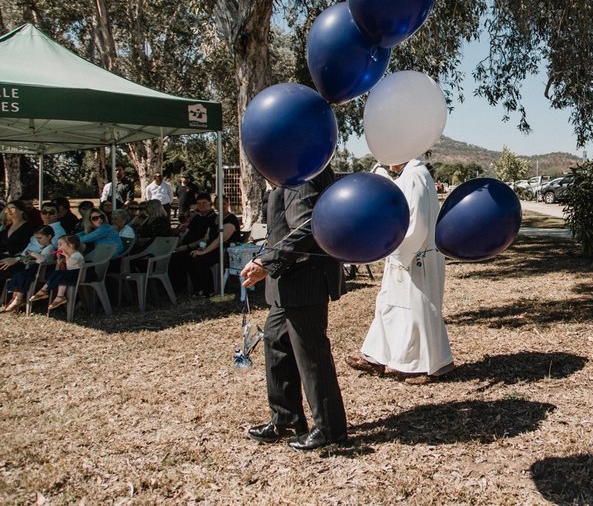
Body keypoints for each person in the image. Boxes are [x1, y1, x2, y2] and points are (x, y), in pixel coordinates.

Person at [240, 166, 347, 452]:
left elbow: (307, 227)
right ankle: (286, 419)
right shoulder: (289, 173)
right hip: (286, 283)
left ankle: (329, 429)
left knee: (311, 355)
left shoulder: (304, 173)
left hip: (304, 280)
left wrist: (266, 261)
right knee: (276, 344)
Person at [348, 158, 454, 384]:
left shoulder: (415, 175)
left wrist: (394, 249)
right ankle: (374, 356)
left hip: (415, 256)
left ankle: (426, 365)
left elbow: (417, 224)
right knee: (387, 304)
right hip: (404, 254)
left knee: (416, 310)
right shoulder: (411, 175)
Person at [168, 193, 220, 296]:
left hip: (202, 247)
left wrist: (188, 246)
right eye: (199, 203)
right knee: (171, 258)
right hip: (185, 246)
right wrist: (178, 244)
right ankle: (178, 288)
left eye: (204, 203)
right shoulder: (197, 217)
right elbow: (187, 232)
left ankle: (201, 289)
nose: (202, 205)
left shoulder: (213, 218)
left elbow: (206, 238)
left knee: (191, 258)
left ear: (210, 203)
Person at [2, 225, 57, 312]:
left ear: (49, 237)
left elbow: (43, 259)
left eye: (40, 238)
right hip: (36, 268)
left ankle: (19, 298)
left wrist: (32, 253)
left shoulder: (50, 248)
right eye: (37, 238)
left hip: (41, 270)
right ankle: (15, 297)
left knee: (21, 275)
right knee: (17, 275)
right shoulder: (43, 247)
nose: (38, 241)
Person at [31, 234, 85, 312]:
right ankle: (45, 291)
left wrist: (66, 255)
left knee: (61, 275)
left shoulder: (77, 255)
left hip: (77, 275)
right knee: (56, 273)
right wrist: (60, 261)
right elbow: (66, 268)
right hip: (69, 274)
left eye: (60, 245)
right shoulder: (70, 256)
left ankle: (58, 296)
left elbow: (71, 265)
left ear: (70, 245)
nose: (58, 247)